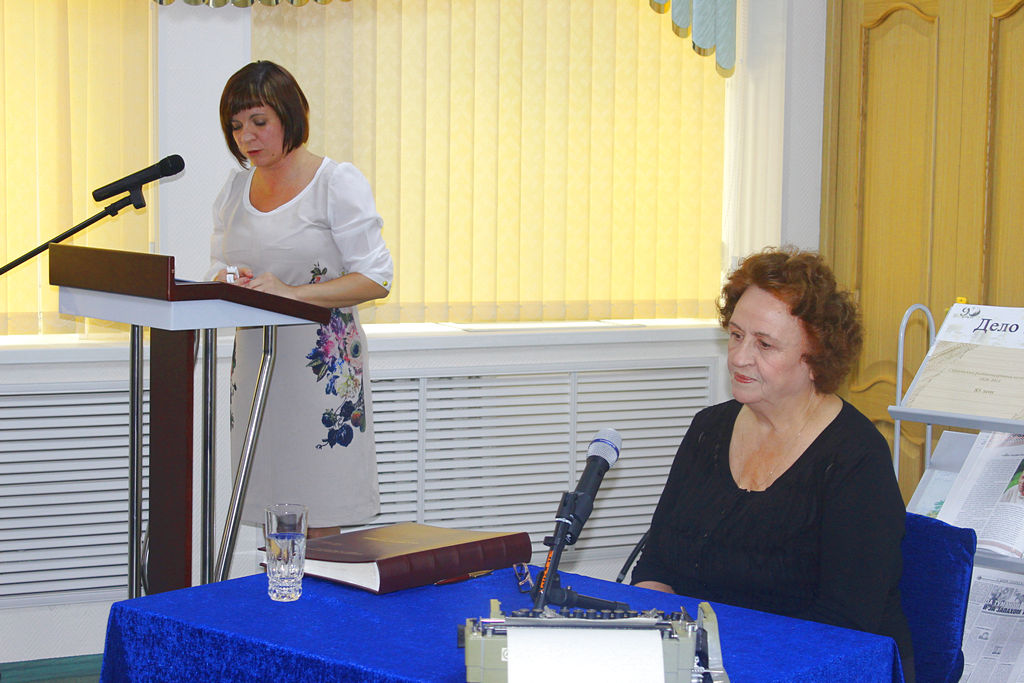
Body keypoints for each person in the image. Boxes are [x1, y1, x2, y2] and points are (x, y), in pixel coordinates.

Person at [631, 247, 915, 683]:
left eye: (765, 344)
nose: (740, 357)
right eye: (736, 335)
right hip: (708, 663)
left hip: (821, 667)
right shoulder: (709, 429)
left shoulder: (856, 458)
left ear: (816, 358)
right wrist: (662, 645)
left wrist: (723, 662)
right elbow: (656, 564)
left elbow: (842, 625)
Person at [205, 61, 393, 539]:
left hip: (320, 373)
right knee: (271, 511)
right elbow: (217, 266)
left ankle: (321, 590)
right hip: (256, 365)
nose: (246, 136)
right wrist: (226, 280)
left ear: (290, 116)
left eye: (259, 121)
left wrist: (292, 294)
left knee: (320, 510)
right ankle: (280, 589)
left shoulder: (336, 182)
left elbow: (376, 277)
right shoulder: (234, 189)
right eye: (236, 126)